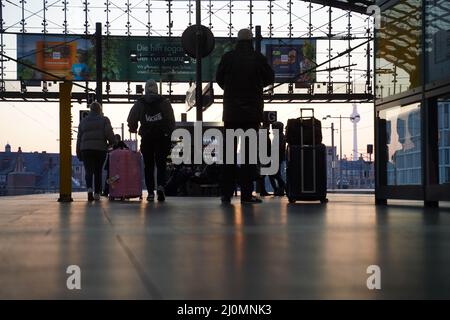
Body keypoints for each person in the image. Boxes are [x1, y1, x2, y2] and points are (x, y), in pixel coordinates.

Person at [216, 28, 275, 204]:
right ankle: (247, 195)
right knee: (249, 156)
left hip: (231, 114)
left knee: (228, 155)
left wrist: (230, 88)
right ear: (251, 41)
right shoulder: (258, 58)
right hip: (251, 114)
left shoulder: (228, 57)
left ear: (237, 40)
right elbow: (270, 78)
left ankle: (226, 194)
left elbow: (219, 78)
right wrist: (257, 86)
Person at [127, 79, 175, 202]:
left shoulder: (140, 103)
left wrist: (133, 128)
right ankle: (160, 187)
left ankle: (150, 193)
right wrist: (167, 133)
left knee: (148, 165)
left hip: (147, 138)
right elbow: (171, 121)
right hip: (161, 138)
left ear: (146, 88)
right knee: (161, 164)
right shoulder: (165, 102)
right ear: (157, 89)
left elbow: (131, 118)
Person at [76, 101, 116, 201]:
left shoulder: (83, 121)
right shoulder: (104, 120)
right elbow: (109, 134)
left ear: (90, 110)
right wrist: (112, 143)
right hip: (100, 149)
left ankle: (89, 190)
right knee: (98, 171)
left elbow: (79, 138)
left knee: (88, 171)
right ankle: (97, 193)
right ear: (100, 110)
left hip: (86, 150)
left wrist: (78, 151)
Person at [269, 121, 286, 196]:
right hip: (278, 157)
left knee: (274, 174)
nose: (272, 130)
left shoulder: (279, 136)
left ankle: (285, 187)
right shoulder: (280, 136)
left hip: (277, 157)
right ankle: (280, 190)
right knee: (276, 174)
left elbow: (278, 148)